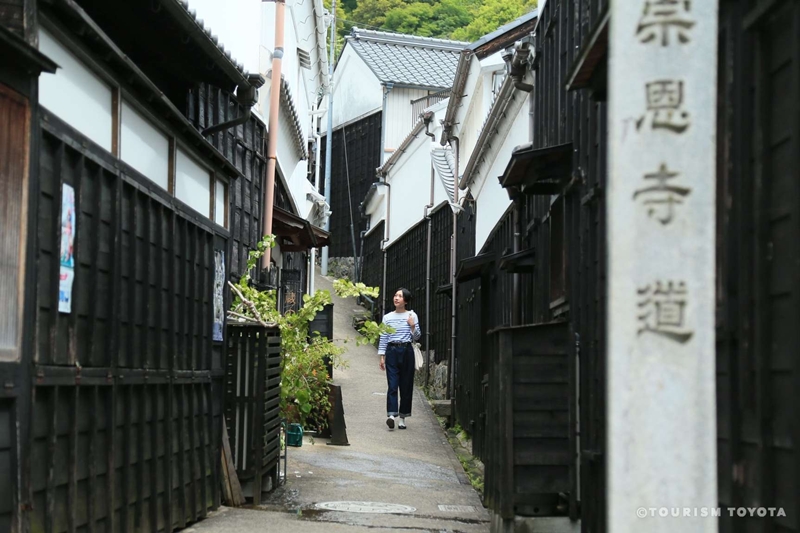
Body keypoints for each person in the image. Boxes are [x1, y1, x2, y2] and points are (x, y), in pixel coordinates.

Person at [377, 288, 421, 430]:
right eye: (395, 295)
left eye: (400, 296)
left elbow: (417, 337)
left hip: (407, 350)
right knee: (392, 384)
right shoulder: (387, 317)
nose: (396, 298)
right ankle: (391, 416)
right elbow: (383, 336)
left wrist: (412, 326)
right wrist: (382, 356)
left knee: (406, 385)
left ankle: (402, 418)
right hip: (392, 351)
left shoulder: (412, 315)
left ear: (406, 301)